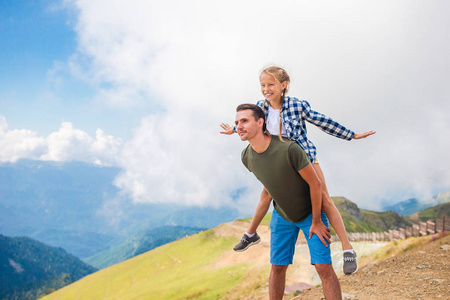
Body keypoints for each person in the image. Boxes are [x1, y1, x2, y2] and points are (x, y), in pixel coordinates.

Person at [221, 65, 375, 275]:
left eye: (271, 84)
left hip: (303, 157)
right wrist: (233, 129)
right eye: (263, 85)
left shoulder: (297, 105)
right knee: (267, 194)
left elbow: (323, 121)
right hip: (279, 162)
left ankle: (348, 248)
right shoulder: (260, 107)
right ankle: (250, 234)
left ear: (283, 85)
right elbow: (247, 122)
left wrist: (351, 135)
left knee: (324, 197)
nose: (266, 89)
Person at [234, 103, 342, 300]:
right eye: (236, 122)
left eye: (244, 121)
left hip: (311, 214)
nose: (238, 126)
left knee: (323, 267)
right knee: (277, 267)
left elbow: (315, 184)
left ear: (260, 122)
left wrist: (317, 221)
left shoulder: (288, 148)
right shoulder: (246, 157)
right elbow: (269, 187)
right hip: (281, 215)